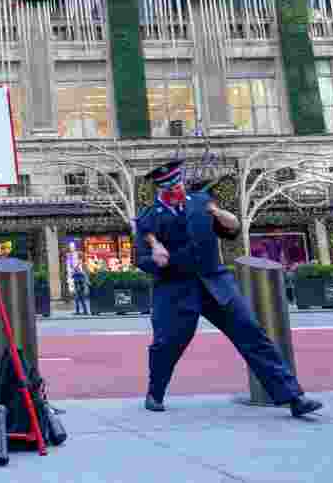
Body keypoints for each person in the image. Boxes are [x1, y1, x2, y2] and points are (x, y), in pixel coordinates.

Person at [135, 159, 322, 418]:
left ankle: (293, 397)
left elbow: (230, 230)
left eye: (178, 183)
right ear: (160, 189)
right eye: (169, 186)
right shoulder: (148, 218)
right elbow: (141, 258)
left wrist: (224, 217)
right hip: (175, 288)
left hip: (216, 282)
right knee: (166, 344)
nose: (176, 189)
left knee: (252, 334)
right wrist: (155, 260)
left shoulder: (201, 202)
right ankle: (155, 393)